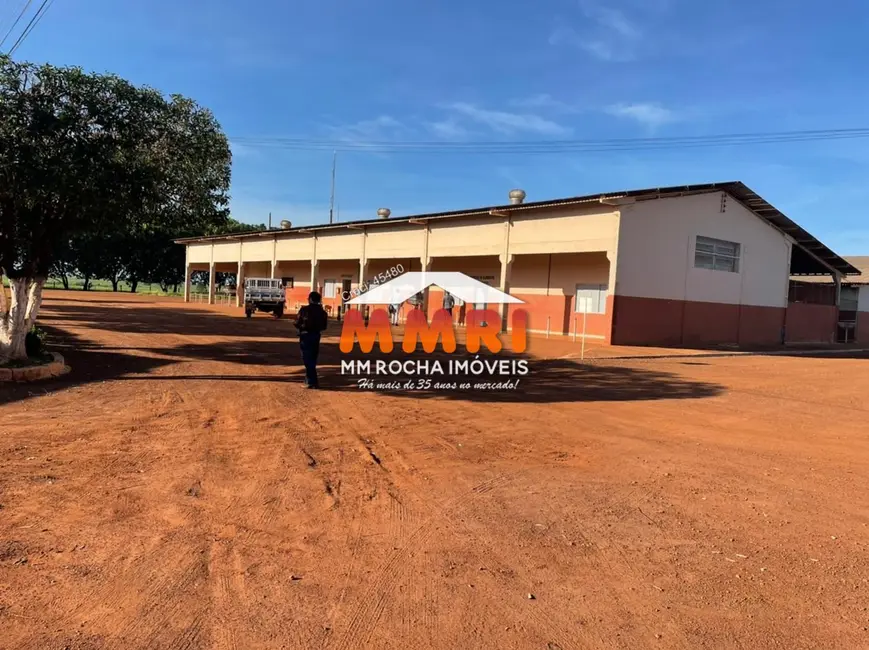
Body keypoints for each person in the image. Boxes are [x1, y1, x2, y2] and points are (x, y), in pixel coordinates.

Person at [294, 291, 328, 389]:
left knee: (307, 359)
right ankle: (309, 380)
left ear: (311, 299)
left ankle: (311, 381)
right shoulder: (323, 312)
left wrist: (302, 326)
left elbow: (296, 322)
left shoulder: (304, 310)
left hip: (305, 335)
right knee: (312, 358)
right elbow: (324, 326)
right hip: (316, 335)